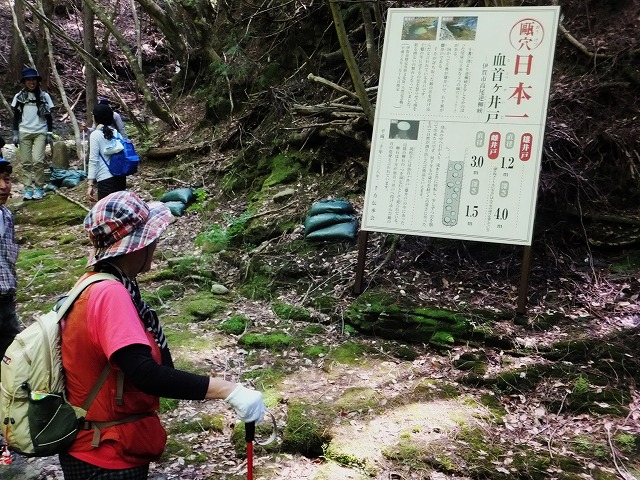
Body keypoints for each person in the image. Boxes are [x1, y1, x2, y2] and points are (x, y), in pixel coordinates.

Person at [59, 191, 266, 479]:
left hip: (102, 445)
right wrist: (229, 390)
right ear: (134, 246)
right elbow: (145, 374)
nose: (156, 243)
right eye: (150, 237)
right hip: (105, 454)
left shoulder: (98, 283)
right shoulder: (109, 293)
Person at [11, 67, 55, 201]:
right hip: (24, 131)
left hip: (40, 131)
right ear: (25, 82)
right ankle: (28, 189)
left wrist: (49, 132)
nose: (32, 82)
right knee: (26, 162)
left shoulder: (44, 96)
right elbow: (16, 116)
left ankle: (39, 188)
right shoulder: (19, 97)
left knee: (38, 161)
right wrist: (15, 133)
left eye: (34, 80)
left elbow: (49, 117)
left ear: (37, 81)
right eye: (29, 80)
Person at [0, 157, 20, 373]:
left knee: (12, 360)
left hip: (6, 301)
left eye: (6, 179)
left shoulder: (7, 216)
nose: (3, 186)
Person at [87, 104, 127, 202]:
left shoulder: (95, 135)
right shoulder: (116, 133)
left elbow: (93, 160)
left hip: (105, 180)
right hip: (120, 178)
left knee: (107, 214)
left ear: (96, 118)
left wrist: (90, 184)